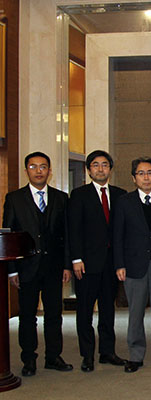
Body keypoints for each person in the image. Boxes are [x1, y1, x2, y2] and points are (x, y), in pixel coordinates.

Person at [3, 152, 73, 376]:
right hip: (27, 268)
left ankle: (53, 357)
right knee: (27, 317)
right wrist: (11, 271)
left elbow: (66, 235)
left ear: (49, 171)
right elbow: (9, 236)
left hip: (54, 267)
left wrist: (67, 265)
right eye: (33, 167)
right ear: (26, 171)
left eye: (43, 167)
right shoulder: (14, 199)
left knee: (54, 315)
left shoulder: (61, 198)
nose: (39, 171)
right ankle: (29, 360)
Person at [113, 157, 151, 373]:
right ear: (134, 178)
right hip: (133, 265)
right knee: (135, 312)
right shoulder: (124, 202)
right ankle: (136, 355)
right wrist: (119, 264)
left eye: (149, 173)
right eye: (141, 173)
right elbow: (117, 236)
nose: (146, 177)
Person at [68, 150, 127, 372]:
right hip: (86, 263)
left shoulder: (120, 195)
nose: (100, 169)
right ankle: (87, 355)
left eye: (104, 165)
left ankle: (107, 352)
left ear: (110, 169)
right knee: (85, 311)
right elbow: (73, 229)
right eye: (95, 165)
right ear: (89, 170)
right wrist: (76, 259)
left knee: (107, 310)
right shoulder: (79, 195)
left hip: (111, 264)